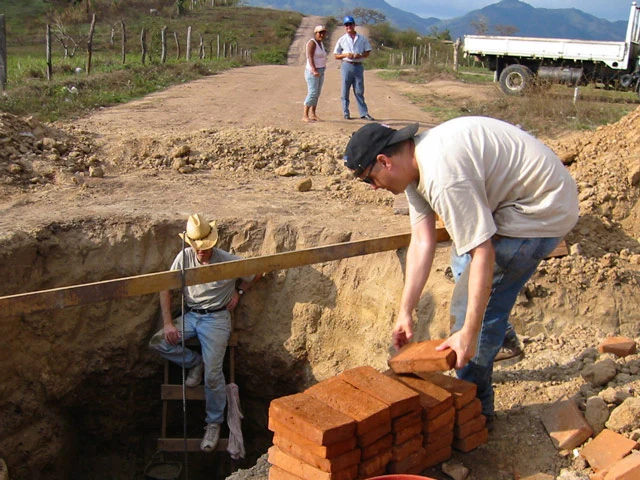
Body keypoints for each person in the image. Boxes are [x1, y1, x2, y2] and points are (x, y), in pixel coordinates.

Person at [342, 116, 579, 424]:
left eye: (368, 179)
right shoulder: (415, 165)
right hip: (519, 199)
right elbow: (422, 242)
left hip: (541, 212)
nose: (372, 187)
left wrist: (468, 333)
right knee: (459, 261)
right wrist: (406, 311)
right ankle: (500, 338)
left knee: (470, 306)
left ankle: (475, 408)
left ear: (384, 161)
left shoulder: (442, 176)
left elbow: (484, 253)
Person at [149, 213, 262, 452]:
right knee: (158, 342)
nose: (201, 251)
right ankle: (194, 362)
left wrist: (239, 292)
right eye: (197, 247)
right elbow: (165, 287)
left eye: (205, 247)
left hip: (217, 319)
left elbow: (258, 270)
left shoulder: (227, 260)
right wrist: (169, 323)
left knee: (213, 374)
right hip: (191, 316)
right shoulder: (184, 257)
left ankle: (213, 423)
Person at [333, 16, 374, 121]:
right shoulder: (342, 39)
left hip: (358, 66)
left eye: (350, 24)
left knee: (359, 90)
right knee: (345, 90)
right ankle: (346, 112)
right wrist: (346, 55)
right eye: (346, 25)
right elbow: (336, 55)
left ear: (354, 25)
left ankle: (363, 113)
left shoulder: (362, 38)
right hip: (346, 65)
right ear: (344, 27)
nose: (348, 27)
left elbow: (368, 51)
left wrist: (360, 55)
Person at [302, 25, 328, 123]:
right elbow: (310, 57)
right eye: (319, 33)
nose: (322, 35)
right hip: (313, 71)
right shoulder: (312, 43)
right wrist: (313, 69)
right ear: (315, 33)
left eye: (323, 33)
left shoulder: (320, 43)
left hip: (321, 70)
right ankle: (305, 115)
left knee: (317, 93)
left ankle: (313, 113)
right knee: (312, 92)